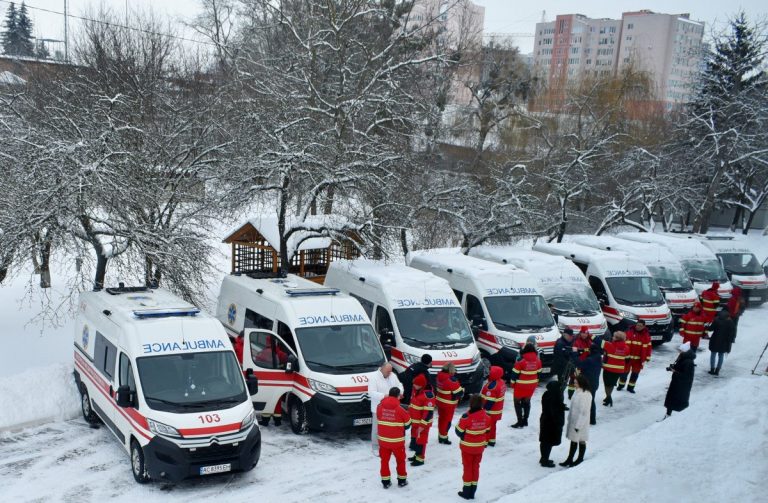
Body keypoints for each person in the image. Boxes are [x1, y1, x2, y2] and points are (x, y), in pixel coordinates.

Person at [455, 394, 491, 500]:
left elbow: (458, 431)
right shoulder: (487, 417)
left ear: (471, 404)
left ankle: (466, 492)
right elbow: (487, 431)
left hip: (467, 448)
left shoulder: (466, 417)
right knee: (476, 468)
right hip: (479, 448)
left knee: (468, 468)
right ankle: (472, 492)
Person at [376, 387, 412, 488]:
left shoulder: (379, 407)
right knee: (400, 461)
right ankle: (402, 481)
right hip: (397, 442)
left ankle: (386, 482)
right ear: (397, 396)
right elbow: (408, 424)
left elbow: (379, 417)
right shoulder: (400, 409)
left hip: (383, 441)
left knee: (384, 461)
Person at [369, 362, 404, 456]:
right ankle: (375, 447)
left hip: (392, 408)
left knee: (389, 428)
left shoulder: (392, 375)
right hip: (378, 407)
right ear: (382, 369)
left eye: (390, 371)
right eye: (388, 371)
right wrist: (385, 396)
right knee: (377, 428)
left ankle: (388, 445)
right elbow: (371, 393)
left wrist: (399, 392)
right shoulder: (373, 377)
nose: (390, 373)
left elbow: (399, 385)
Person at [560, 374, 592, 467]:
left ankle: (580, 458)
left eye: (575, 383)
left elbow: (584, 412)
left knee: (581, 440)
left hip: (580, 423)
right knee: (574, 440)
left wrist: (578, 425)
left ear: (581, 383)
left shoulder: (585, 395)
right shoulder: (578, 392)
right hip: (575, 421)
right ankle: (570, 459)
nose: (574, 384)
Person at [510, 343, 542, 428]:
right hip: (531, 385)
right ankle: (525, 420)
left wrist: (512, 383)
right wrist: (536, 382)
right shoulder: (538, 360)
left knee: (517, 402)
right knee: (527, 402)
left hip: (520, 386)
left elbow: (514, 374)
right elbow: (539, 373)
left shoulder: (521, 361)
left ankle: (519, 421)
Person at [407, 374, 435, 466]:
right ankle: (416, 455)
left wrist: (422, 426)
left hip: (422, 424)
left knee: (421, 441)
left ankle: (420, 459)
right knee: (416, 440)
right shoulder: (416, 391)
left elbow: (428, 413)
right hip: (415, 423)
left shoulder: (428, 396)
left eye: (416, 384)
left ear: (421, 385)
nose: (414, 385)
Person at [663, 342, 696, 419]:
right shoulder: (683, 357)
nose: (679, 352)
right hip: (676, 382)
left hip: (682, 385)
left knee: (678, 400)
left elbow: (686, 375)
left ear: (685, 351)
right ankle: (668, 415)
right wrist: (673, 367)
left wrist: (675, 371)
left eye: (681, 350)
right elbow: (680, 368)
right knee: (671, 399)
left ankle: (678, 418)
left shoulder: (688, 362)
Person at [618, 320, 652, 393]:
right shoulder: (628, 332)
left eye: (640, 326)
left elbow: (649, 347)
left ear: (643, 326)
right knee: (624, 373)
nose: (638, 327)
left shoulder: (646, 336)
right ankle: (621, 385)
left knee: (635, 374)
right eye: (637, 325)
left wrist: (648, 357)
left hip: (638, 360)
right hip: (628, 358)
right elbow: (622, 344)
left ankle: (630, 387)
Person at [538, 380, 566, 468]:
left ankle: (543, 458)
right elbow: (554, 410)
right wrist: (559, 422)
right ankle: (544, 460)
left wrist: (562, 406)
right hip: (551, 423)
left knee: (545, 442)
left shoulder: (547, 394)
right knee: (548, 442)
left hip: (545, 420)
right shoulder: (554, 396)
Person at [436, 363, 464, 444]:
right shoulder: (451, 380)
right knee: (447, 421)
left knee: (441, 419)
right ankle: (444, 438)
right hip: (449, 404)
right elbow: (459, 393)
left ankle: (440, 435)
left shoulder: (439, 377)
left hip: (440, 402)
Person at [576, 339, 602, 425]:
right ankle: (592, 419)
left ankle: (589, 419)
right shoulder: (598, 358)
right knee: (591, 400)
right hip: (595, 383)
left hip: (588, 384)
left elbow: (580, 365)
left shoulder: (589, 360)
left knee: (588, 402)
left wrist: (576, 355)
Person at [600, 331, 629, 407]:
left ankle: (609, 398)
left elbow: (597, 341)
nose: (612, 337)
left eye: (614, 337)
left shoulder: (609, 345)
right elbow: (627, 359)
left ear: (618, 339)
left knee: (607, 384)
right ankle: (608, 397)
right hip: (618, 370)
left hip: (608, 368)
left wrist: (590, 335)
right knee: (611, 384)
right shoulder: (626, 348)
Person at [481, 365, 505, 447]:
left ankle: (485, 442)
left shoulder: (492, 386)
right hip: (497, 409)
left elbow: (490, 401)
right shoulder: (501, 382)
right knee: (493, 426)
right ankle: (492, 440)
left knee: (487, 427)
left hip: (490, 411)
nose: (488, 373)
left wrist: (484, 410)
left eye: (490, 372)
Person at [567, 327, 592, 398]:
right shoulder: (576, 341)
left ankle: (581, 393)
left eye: (586, 333)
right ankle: (570, 394)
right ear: (580, 333)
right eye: (583, 333)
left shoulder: (589, 341)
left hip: (586, 364)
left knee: (583, 379)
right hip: (577, 364)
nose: (584, 335)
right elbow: (574, 353)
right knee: (573, 378)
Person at [708, 310, 735, 376]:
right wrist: (730, 341)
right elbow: (732, 333)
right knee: (721, 355)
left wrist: (707, 326)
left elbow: (710, 329)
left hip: (715, 340)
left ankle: (712, 369)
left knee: (713, 354)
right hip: (724, 341)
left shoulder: (716, 320)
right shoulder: (730, 322)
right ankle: (717, 370)